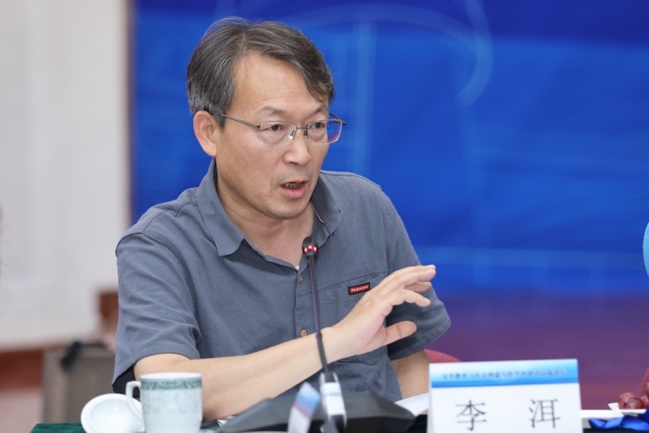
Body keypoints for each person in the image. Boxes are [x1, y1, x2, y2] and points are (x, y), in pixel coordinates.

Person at [112, 17, 451, 420]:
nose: (302, 154)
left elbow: (408, 362)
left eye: (316, 126)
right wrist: (335, 342)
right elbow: (165, 390)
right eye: (275, 128)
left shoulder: (367, 208)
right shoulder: (160, 245)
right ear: (209, 132)